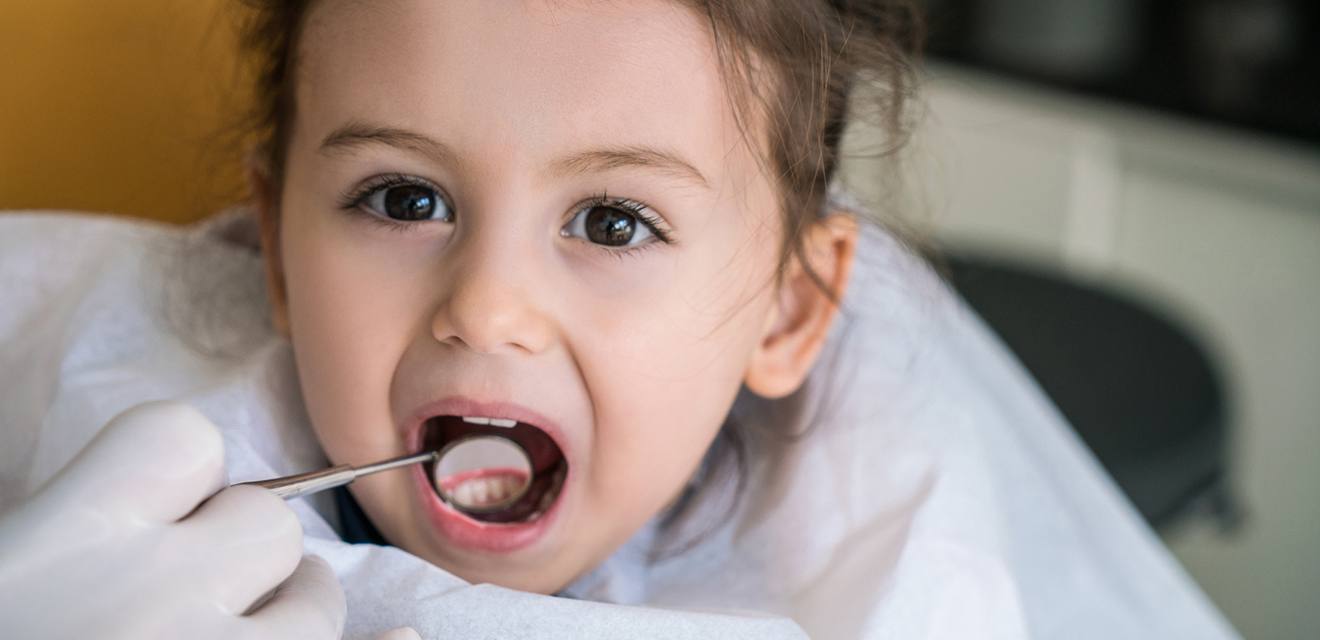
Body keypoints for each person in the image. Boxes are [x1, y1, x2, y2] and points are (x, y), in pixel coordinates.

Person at [0, 1, 1238, 638]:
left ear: (788, 309)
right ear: (274, 248)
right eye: (404, 196)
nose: (487, 305)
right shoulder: (91, 427)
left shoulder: (897, 575)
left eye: (611, 223)